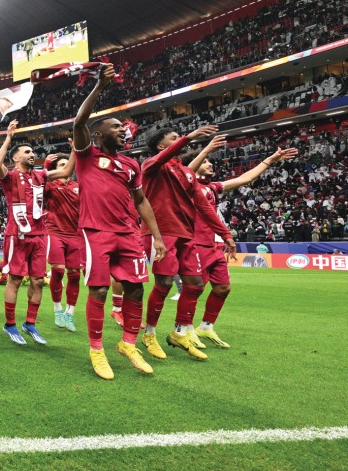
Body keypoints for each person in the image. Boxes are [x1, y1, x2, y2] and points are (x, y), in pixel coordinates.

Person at [72, 63, 165, 380]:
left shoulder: (130, 164)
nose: (123, 130)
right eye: (116, 127)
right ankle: (96, 349)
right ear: (98, 135)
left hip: (128, 234)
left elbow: (141, 200)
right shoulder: (86, 155)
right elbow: (80, 120)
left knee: (135, 289)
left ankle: (128, 344)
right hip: (96, 232)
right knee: (98, 292)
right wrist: (100, 86)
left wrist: (157, 237)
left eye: (123, 128)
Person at [186, 137, 297, 347]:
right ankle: (185, 329)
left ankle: (206, 327)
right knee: (195, 289)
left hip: (213, 245)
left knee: (223, 288)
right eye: (205, 162)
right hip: (193, 245)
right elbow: (185, 175)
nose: (211, 164)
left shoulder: (212, 188)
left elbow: (243, 179)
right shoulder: (185, 187)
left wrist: (269, 161)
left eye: (210, 161)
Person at [138, 123, 235, 362]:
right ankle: (149, 334)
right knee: (164, 284)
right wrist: (190, 136)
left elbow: (203, 206)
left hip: (186, 236)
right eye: (174, 138)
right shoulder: (151, 166)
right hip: (161, 234)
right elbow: (164, 157)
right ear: (161, 146)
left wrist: (225, 234)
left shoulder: (187, 172)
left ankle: (180, 331)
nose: (179, 140)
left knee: (195, 285)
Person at [0, 121, 72, 346]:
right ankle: (9, 324)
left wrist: (76, 149)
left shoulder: (40, 176)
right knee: (15, 279)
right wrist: (8, 138)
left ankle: (30, 323)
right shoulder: (10, 177)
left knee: (37, 281)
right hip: (17, 235)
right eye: (27, 152)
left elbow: (66, 170)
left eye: (32, 152)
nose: (32, 154)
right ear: (16, 158)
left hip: (40, 234)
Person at [44, 153, 82, 333]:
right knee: (58, 271)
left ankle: (70, 313)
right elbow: (37, 185)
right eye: (60, 164)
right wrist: (45, 165)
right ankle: (57, 309)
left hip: (76, 235)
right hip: (55, 232)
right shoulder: (50, 186)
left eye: (67, 164)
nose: (65, 167)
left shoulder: (79, 187)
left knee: (74, 275)